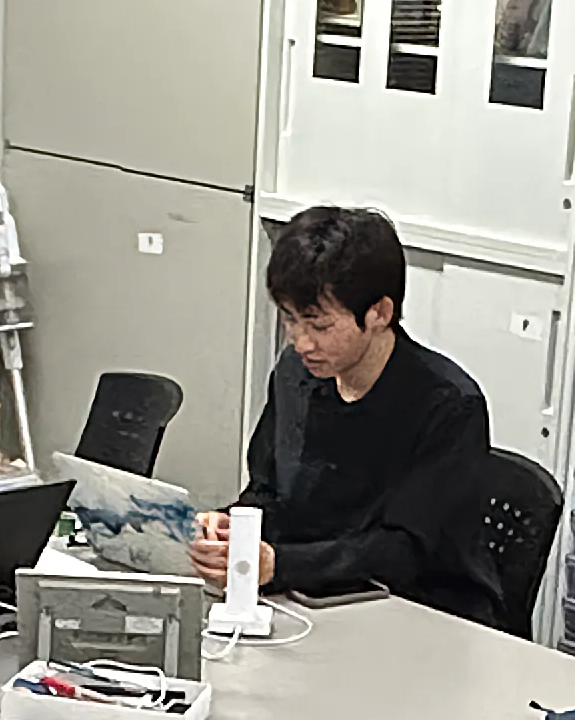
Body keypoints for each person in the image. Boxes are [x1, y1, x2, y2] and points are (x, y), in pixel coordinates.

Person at [188, 204, 497, 621]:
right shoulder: (296, 375)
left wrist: (279, 565)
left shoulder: (447, 405)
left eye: (319, 326)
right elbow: (269, 492)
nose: (300, 342)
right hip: (315, 602)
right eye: (290, 320)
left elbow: (405, 552)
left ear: (379, 314)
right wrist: (233, 529)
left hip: (422, 613)